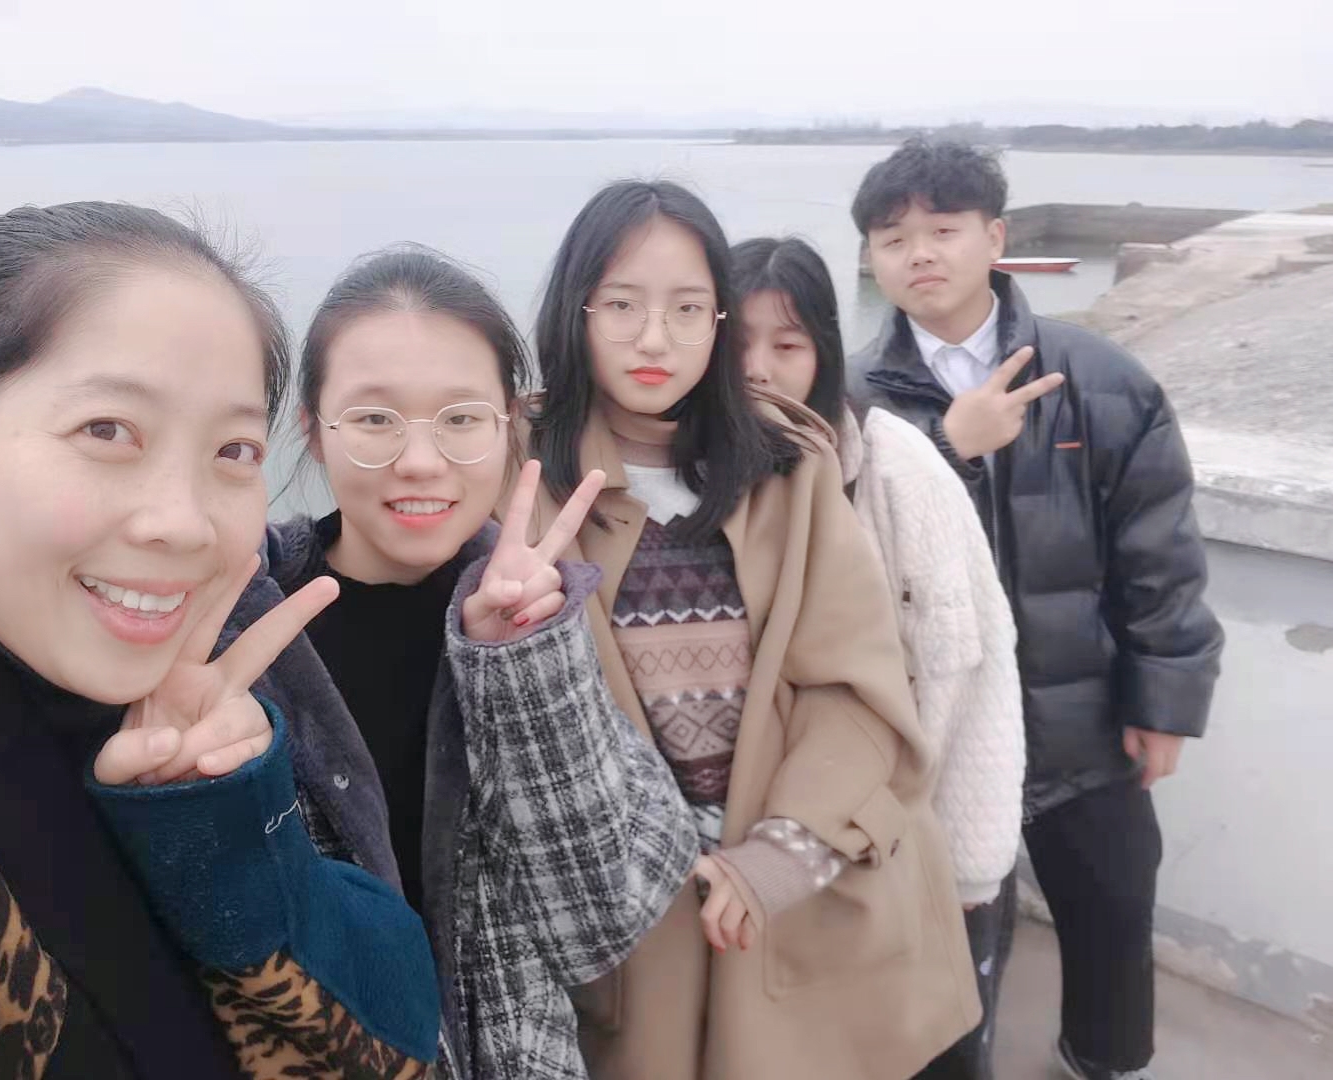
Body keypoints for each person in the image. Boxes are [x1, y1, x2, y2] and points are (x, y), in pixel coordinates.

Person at [0, 203, 440, 1077]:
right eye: (107, 431)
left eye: (234, 450)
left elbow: (397, 1044)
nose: (184, 523)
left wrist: (216, 827)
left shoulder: (211, 690)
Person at [522, 180, 982, 1080]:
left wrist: (784, 850)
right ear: (575, 311)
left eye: (687, 309)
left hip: (804, 893)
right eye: (621, 304)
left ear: (718, 321)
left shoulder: (787, 464)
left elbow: (855, 681)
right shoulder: (526, 471)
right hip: (637, 922)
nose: (655, 339)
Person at [236, 244, 700, 1080]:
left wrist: (520, 662)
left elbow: (599, 922)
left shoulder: (538, 614)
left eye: (460, 418)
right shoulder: (240, 624)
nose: (420, 460)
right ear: (311, 430)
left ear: (508, 424)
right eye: (375, 419)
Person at [848, 139, 1225, 1080]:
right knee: (952, 938)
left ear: (995, 238)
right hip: (934, 725)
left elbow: (1160, 555)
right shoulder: (852, 398)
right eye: (892, 238)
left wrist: (1162, 702)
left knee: (1113, 909)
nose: (919, 253)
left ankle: (1101, 1058)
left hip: (1081, 716)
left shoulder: (1101, 377)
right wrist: (950, 445)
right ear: (871, 258)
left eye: (944, 229)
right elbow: (845, 559)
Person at [733, 234, 1025, 1079]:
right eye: (735, 343)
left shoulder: (894, 466)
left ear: (824, 352)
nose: (758, 370)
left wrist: (972, 869)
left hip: (889, 832)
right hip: (763, 848)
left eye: (787, 345)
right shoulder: (699, 477)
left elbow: (968, 668)